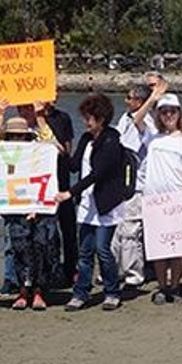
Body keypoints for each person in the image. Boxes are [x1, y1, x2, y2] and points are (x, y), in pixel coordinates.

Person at [54, 93, 127, 311]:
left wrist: (69, 192)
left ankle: (112, 291)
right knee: (84, 251)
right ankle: (81, 292)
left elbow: (98, 173)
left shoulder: (112, 140)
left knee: (102, 249)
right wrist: (61, 153)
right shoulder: (86, 139)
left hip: (106, 202)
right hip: (87, 203)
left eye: (89, 118)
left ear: (101, 118)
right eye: (85, 117)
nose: (86, 122)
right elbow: (76, 166)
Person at [0, 115, 61, 311]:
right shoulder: (3, 153)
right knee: (19, 249)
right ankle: (23, 290)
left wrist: (40, 120)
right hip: (16, 206)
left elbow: (57, 148)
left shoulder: (38, 151)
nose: (16, 140)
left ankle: (38, 291)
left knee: (41, 248)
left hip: (39, 206)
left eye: (19, 136)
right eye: (12, 136)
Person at [138, 91, 182, 303]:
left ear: (179, 113)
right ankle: (162, 287)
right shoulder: (153, 137)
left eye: (172, 111)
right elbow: (137, 119)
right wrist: (152, 98)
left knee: (177, 249)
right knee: (158, 248)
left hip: (177, 200)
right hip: (153, 200)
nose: (168, 115)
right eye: (164, 112)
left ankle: (175, 285)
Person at [112, 83, 157, 289]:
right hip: (119, 182)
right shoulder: (125, 117)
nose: (126, 101)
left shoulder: (148, 122)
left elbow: (133, 145)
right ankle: (113, 269)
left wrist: (154, 97)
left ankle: (133, 274)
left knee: (130, 231)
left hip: (136, 184)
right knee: (116, 229)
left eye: (130, 98)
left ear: (139, 101)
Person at [36, 97, 77, 287]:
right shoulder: (31, 118)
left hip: (62, 181)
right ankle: (50, 271)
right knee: (46, 232)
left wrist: (69, 164)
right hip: (41, 185)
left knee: (68, 228)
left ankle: (71, 269)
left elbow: (67, 147)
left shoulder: (63, 117)